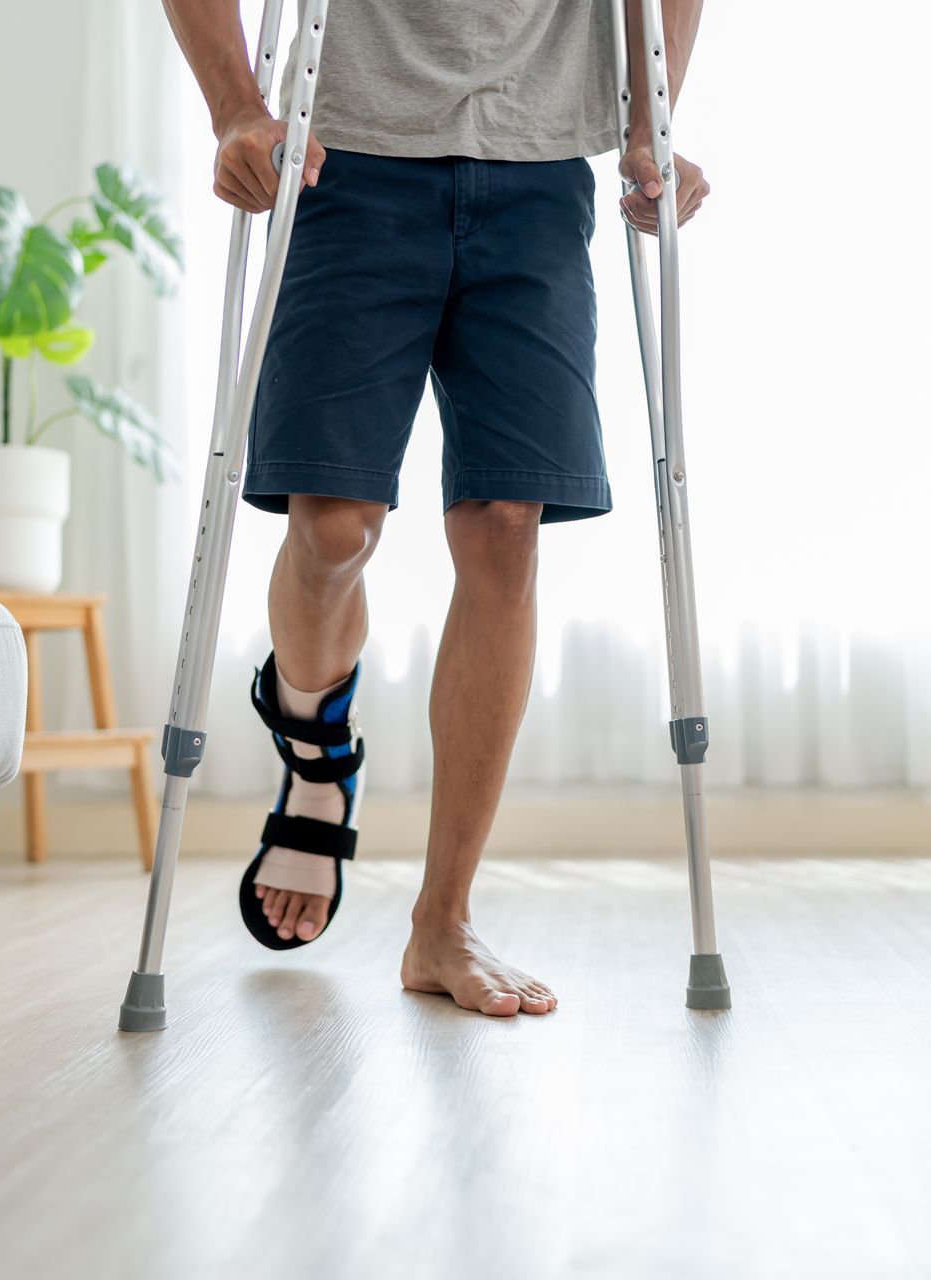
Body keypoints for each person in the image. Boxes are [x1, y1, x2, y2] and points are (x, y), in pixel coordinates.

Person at [162, 0, 708, 1017]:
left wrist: (654, 125)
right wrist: (236, 107)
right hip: (346, 157)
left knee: (507, 530)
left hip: (539, 165)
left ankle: (441, 920)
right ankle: (317, 747)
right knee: (332, 530)